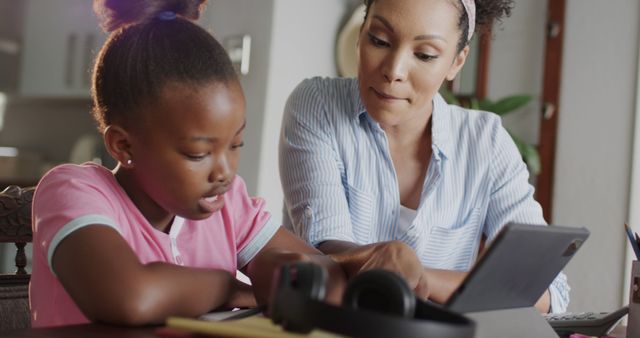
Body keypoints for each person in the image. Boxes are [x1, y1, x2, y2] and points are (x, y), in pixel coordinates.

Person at [29, 0, 428, 328]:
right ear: (122, 145)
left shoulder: (228, 204)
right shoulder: (74, 192)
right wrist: (232, 285)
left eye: (235, 144)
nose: (224, 171)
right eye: (198, 153)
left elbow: (319, 272)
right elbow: (130, 297)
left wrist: (370, 257)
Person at [280, 0, 569, 314]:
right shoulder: (317, 106)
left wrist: (419, 276)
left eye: (425, 54)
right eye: (379, 40)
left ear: (456, 62)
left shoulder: (486, 144)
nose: (394, 71)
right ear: (362, 31)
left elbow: (547, 291)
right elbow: (324, 251)